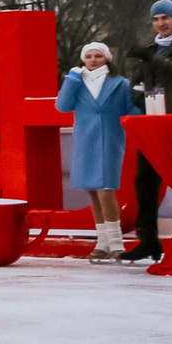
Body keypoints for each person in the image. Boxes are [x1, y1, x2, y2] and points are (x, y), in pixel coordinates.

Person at [119, 0, 172, 263]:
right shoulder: (150, 48)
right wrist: (137, 94)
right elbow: (139, 80)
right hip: (152, 120)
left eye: (165, 18)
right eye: (156, 19)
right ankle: (148, 240)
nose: (160, 23)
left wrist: (153, 59)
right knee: (144, 180)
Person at [57, 41, 143, 262]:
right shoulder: (77, 83)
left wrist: (143, 101)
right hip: (85, 141)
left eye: (98, 56)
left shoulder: (120, 83)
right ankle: (102, 242)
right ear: (83, 60)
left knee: (106, 190)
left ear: (107, 58)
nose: (93, 60)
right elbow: (62, 106)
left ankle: (116, 243)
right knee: (93, 191)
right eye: (89, 57)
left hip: (109, 140)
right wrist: (71, 79)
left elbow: (130, 111)